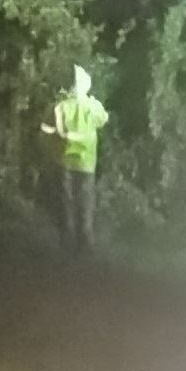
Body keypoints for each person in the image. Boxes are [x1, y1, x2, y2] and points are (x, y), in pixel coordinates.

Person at [43, 65, 107, 253]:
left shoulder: (60, 106)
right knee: (85, 203)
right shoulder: (92, 106)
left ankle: (67, 242)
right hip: (87, 162)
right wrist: (94, 101)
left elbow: (47, 129)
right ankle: (86, 243)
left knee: (67, 201)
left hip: (64, 160)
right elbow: (103, 119)